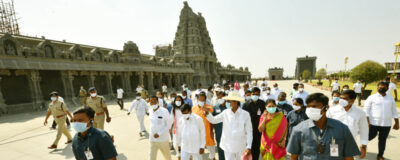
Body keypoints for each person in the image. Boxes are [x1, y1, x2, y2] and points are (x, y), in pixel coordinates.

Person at [287, 93, 360, 159]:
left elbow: (349, 156)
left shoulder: (342, 128)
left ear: (326, 107)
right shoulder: (298, 129)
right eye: (308, 107)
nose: (310, 110)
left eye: (314, 106)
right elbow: (294, 156)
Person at [205, 92, 252, 160]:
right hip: (228, 145)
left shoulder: (245, 114)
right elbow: (214, 120)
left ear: (236, 102)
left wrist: (249, 146)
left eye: (229, 101)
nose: (227, 103)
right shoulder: (225, 113)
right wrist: (207, 114)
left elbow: (249, 131)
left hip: (240, 145)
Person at [326, 90, 369, 159]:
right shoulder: (332, 110)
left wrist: (363, 146)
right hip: (334, 142)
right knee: (334, 158)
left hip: (350, 143)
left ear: (352, 100)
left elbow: (364, 130)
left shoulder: (360, 113)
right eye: (341, 98)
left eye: (345, 99)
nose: (341, 100)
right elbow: (326, 126)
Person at [364, 81, 399, 160]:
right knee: (370, 136)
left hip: (386, 124)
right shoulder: (371, 97)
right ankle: (362, 146)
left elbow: (394, 111)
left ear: (387, 88)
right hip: (373, 123)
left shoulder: (390, 98)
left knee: (382, 140)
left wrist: (397, 123)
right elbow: (366, 111)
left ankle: (380, 155)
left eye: (383, 87)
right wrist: (367, 122)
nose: (381, 88)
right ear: (377, 87)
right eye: (380, 87)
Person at [242, 87, 266, 160]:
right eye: (253, 94)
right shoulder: (246, 104)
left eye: (257, 94)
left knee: (257, 147)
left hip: (259, 130)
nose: (255, 95)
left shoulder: (262, 104)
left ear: (259, 95)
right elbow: (243, 118)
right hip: (249, 130)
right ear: (251, 94)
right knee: (249, 147)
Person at [192, 92, 216, 160]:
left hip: (207, 132)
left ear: (205, 100)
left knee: (211, 149)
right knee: (198, 150)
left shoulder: (209, 107)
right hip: (197, 133)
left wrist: (212, 131)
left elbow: (212, 120)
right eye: (200, 100)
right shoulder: (193, 109)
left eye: (203, 100)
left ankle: (213, 158)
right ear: (197, 100)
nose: (201, 101)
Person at [148, 95, 172, 160]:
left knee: (167, 157)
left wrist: (159, 133)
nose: (152, 103)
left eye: (154, 101)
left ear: (158, 102)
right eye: (151, 102)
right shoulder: (150, 111)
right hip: (152, 139)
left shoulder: (164, 111)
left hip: (162, 139)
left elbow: (168, 124)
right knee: (151, 157)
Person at [212, 92, 227, 160]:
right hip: (219, 132)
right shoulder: (215, 107)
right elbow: (212, 120)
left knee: (228, 149)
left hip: (228, 132)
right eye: (219, 98)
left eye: (221, 97)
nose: (220, 99)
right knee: (220, 148)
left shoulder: (229, 107)